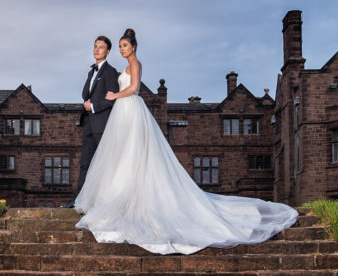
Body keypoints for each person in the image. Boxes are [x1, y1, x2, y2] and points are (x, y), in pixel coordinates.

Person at [74, 28, 298, 255]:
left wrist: (114, 96)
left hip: (130, 108)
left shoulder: (136, 64)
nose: (123, 49)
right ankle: (120, 197)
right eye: (121, 46)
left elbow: (133, 89)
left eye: (125, 46)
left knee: (133, 153)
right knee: (121, 155)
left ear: (133, 47)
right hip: (122, 113)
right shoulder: (122, 68)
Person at [74, 35, 120, 202]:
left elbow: (112, 98)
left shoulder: (110, 72)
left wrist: (93, 106)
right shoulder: (91, 71)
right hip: (88, 123)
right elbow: (85, 94)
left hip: (102, 125)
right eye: (95, 46)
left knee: (106, 164)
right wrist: (88, 104)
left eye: (101, 47)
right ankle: (78, 200)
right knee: (85, 162)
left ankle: (108, 200)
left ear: (107, 52)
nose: (97, 49)